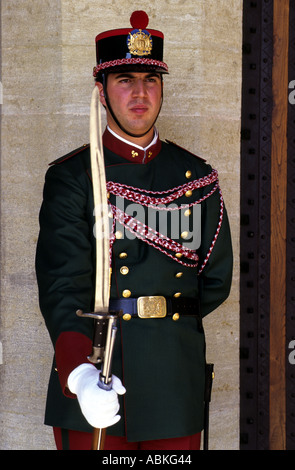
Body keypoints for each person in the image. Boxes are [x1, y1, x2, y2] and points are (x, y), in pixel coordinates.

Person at [35, 10, 233, 451]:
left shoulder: (196, 176)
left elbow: (215, 281)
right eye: (125, 79)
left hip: (173, 379)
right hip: (96, 376)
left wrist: (162, 323)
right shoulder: (74, 177)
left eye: (151, 79)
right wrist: (79, 374)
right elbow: (62, 285)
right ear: (102, 93)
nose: (140, 93)